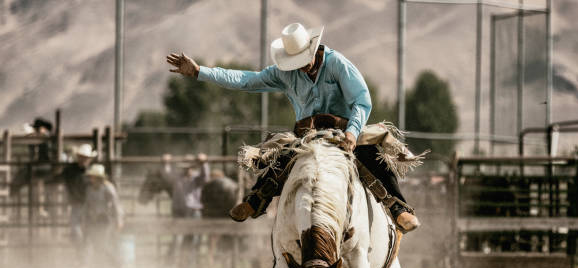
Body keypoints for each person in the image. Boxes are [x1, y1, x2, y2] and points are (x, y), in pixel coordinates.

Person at [166, 22, 419, 233]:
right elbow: (247, 80)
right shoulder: (284, 73)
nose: (302, 66)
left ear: (313, 49)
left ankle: (398, 207)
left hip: (344, 131)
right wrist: (200, 72)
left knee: (372, 156)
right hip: (308, 134)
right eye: (296, 62)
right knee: (280, 157)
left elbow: (362, 100)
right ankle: (256, 200)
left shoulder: (337, 64)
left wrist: (353, 133)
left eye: (304, 59)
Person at [47, 143, 97, 257]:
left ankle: (85, 260)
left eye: (86, 158)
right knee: (77, 231)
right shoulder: (70, 170)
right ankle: (82, 257)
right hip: (77, 205)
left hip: (90, 206)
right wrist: (49, 180)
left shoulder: (91, 172)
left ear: (89, 159)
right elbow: (57, 179)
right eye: (82, 157)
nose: (83, 160)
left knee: (88, 233)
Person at [82, 164, 124, 268]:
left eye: (93, 176)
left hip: (105, 219)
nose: (91, 178)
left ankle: (116, 264)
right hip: (94, 220)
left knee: (104, 244)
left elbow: (116, 204)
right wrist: (86, 219)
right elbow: (87, 205)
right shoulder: (89, 189)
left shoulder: (107, 188)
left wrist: (119, 219)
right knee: (96, 244)